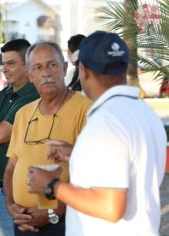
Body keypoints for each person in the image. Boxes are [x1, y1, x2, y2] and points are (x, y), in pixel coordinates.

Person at [27, 31, 167, 236]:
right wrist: (77, 153)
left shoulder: (106, 121)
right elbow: (129, 164)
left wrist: (52, 186)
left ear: (83, 70)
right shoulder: (144, 112)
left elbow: (110, 207)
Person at [3, 41, 92, 236]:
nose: (46, 73)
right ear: (30, 75)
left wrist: (53, 212)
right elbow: (11, 167)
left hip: (63, 222)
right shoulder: (23, 113)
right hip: (23, 222)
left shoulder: (86, 110)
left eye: (52, 65)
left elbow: (92, 174)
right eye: (38, 67)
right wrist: (11, 206)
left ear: (65, 68)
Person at [0, 38, 39, 236]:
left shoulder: (32, 96)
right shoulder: (3, 94)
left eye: (11, 63)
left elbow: (1, 135)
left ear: (27, 65)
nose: (5, 68)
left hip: (16, 192)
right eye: (3, 63)